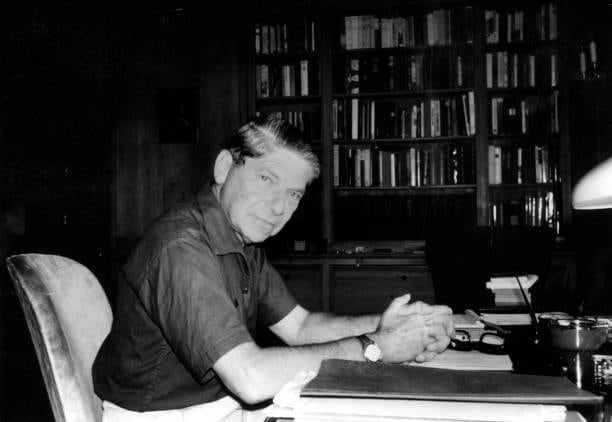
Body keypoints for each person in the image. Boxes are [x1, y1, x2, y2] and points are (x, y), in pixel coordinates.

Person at [92, 116, 454, 422]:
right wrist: (378, 347)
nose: (279, 207)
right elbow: (250, 378)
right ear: (224, 167)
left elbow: (301, 327)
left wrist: (392, 326)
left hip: (219, 407)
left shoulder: (242, 240)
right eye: (267, 179)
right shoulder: (180, 246)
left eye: (293, 194)